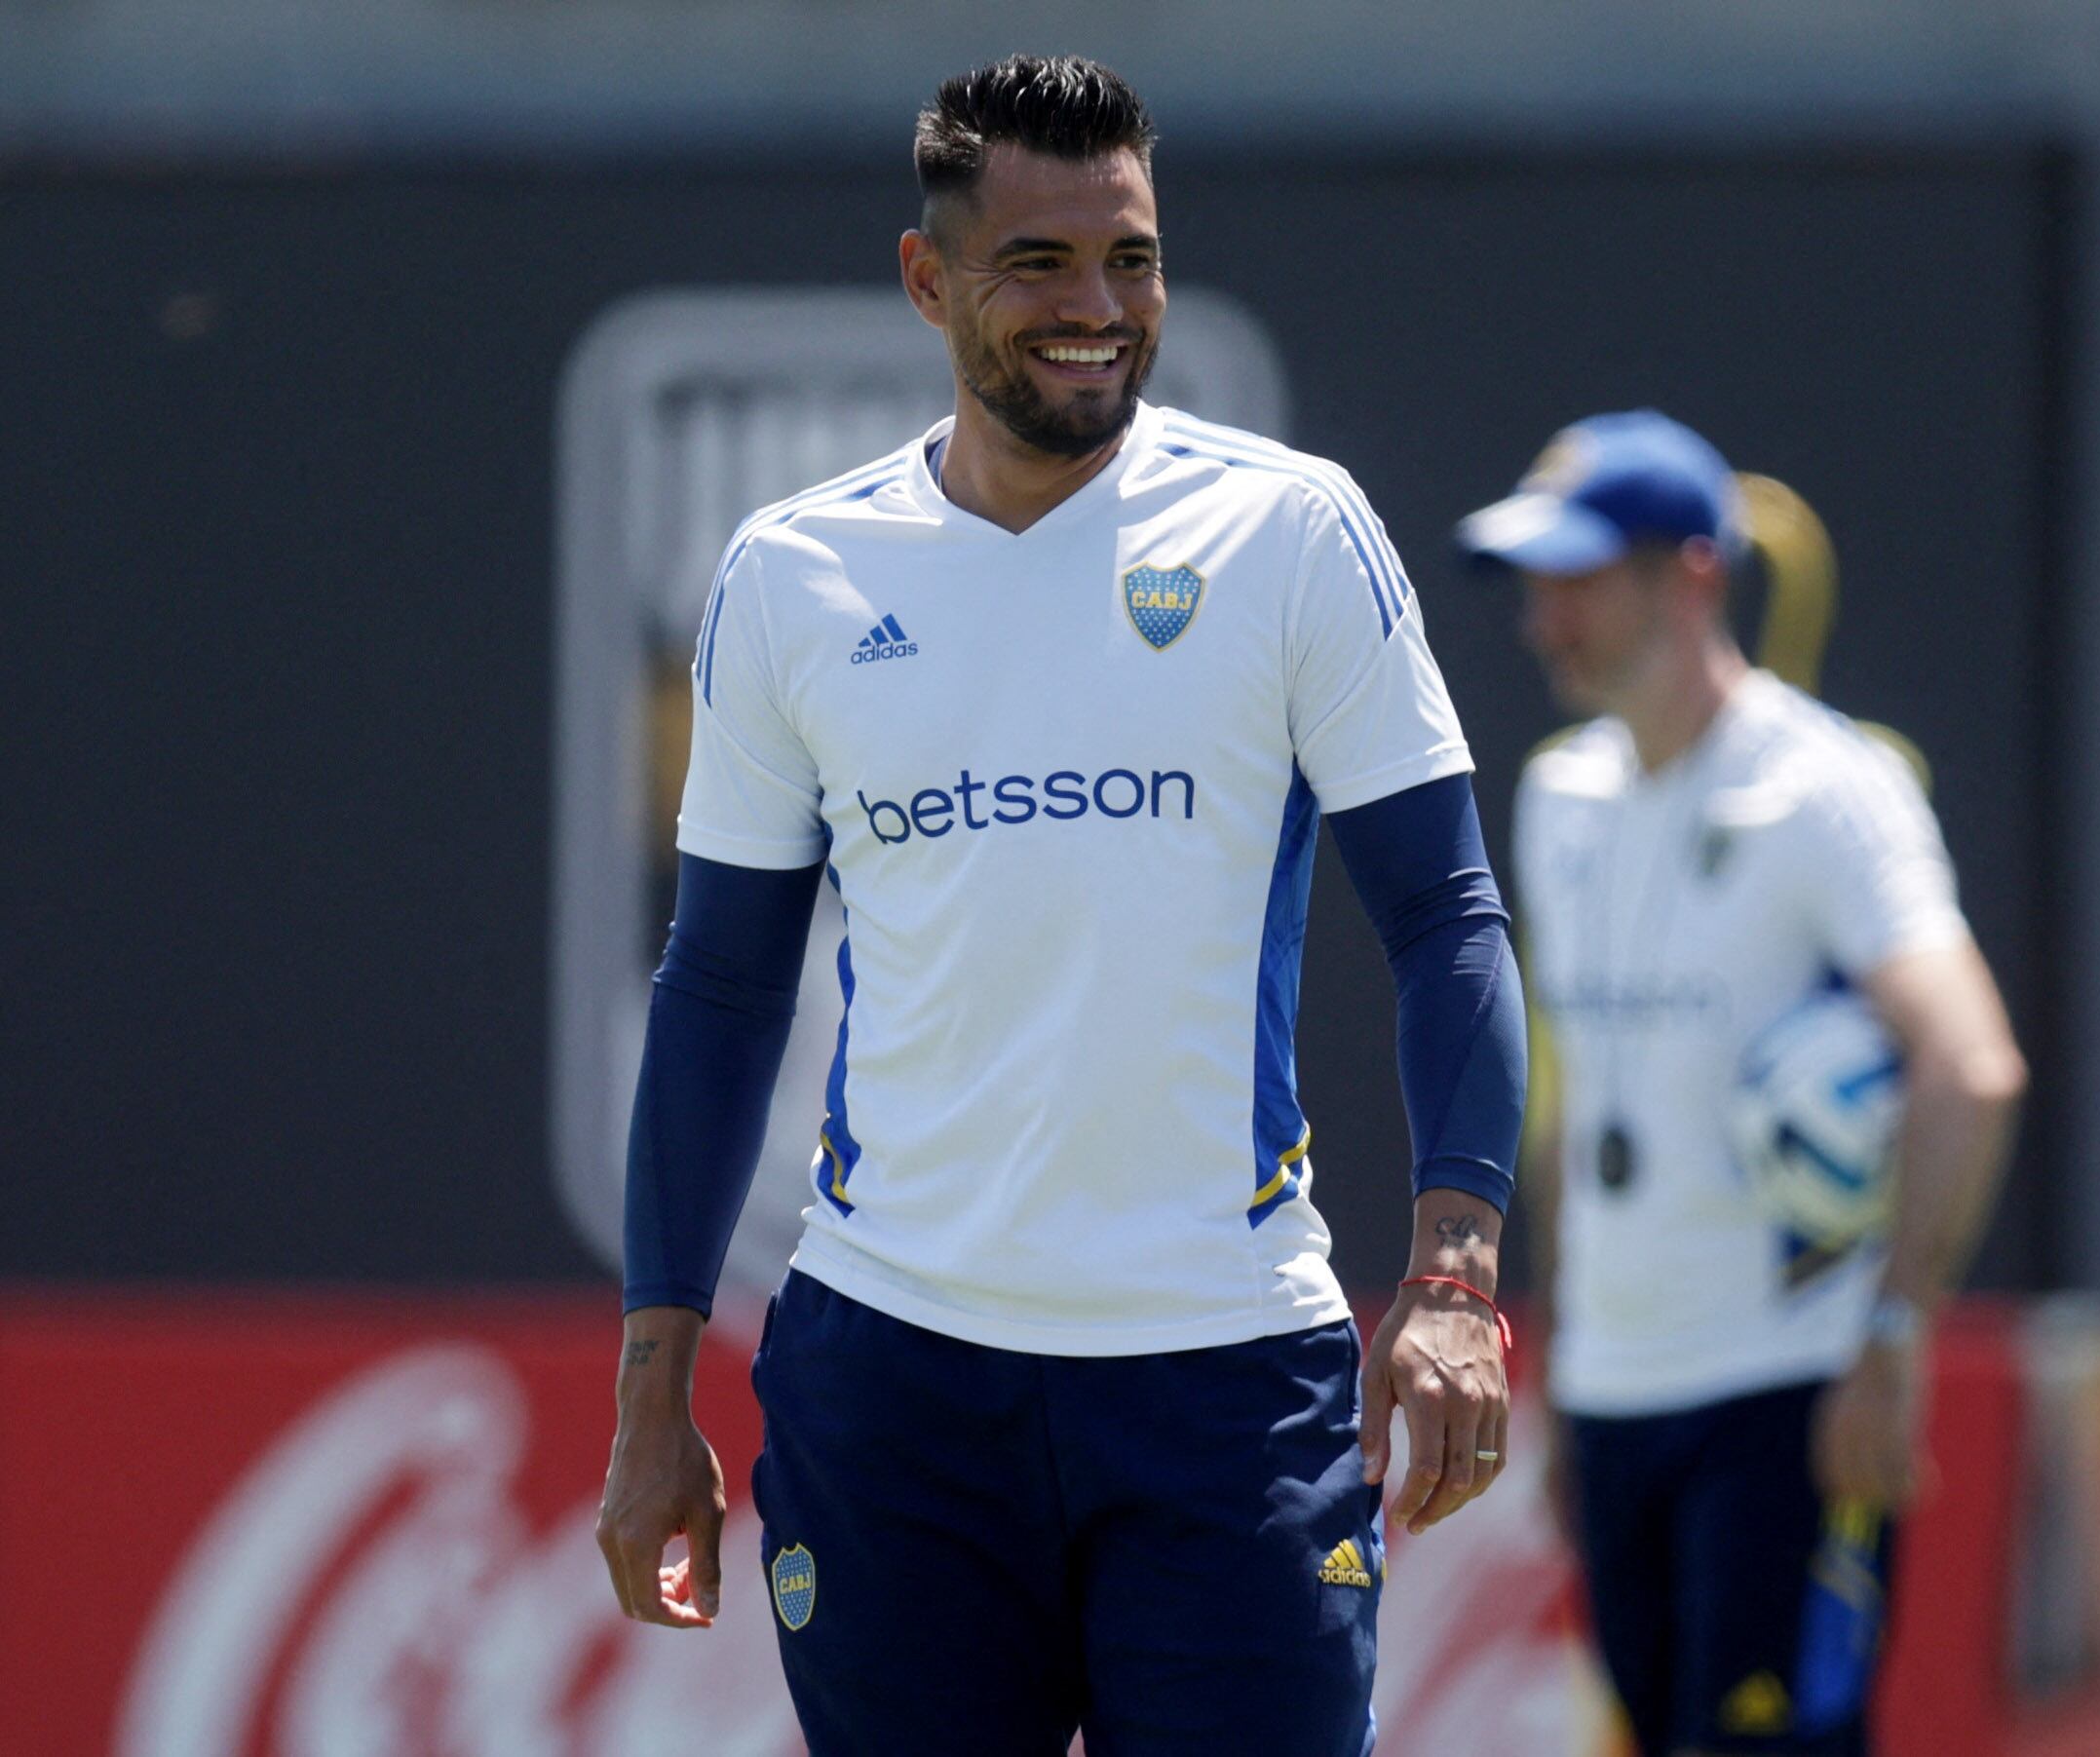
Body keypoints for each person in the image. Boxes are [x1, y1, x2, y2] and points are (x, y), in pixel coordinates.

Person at [592, 55, 1529, 1757]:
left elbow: (1448, 920)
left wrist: (1456, 1274)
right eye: (1038, 265)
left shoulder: (1292, 535)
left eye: (1133, 259)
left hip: (1226, 1382)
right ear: (926, 280)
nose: (1097, 309)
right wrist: (654, 1384)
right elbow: (719, 989)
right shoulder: (795, 577)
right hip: (894, 1386)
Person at [1456, 411, 2027, 1757]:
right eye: (1533, 584)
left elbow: (1970, 1066)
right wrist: (1560, 1364)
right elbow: (1571, 1103)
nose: (1545, 620)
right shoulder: (1561, 797)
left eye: (1579, 578)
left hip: (1784, 1397)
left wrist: (1889, 1340)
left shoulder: (1826, 789)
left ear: (1692, 574)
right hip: (1611, 1402)